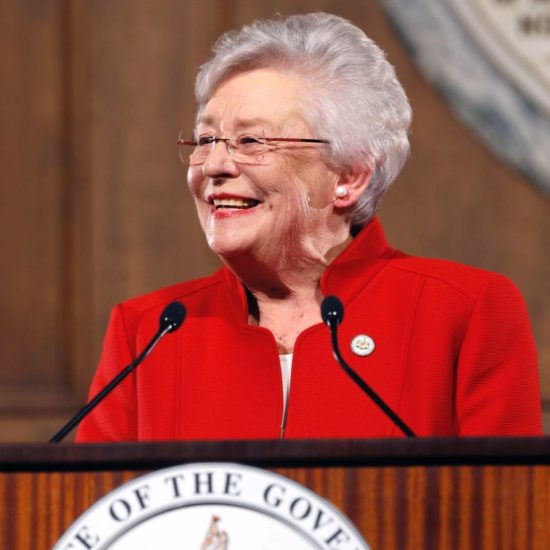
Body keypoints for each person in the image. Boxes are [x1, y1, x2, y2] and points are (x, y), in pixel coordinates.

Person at [76, 13, 542, 442]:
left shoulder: (463, 312)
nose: (214, 165)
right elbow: (97, 503)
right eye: (206, 139)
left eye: (251, 141)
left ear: (349, 176)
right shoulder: (149, 331)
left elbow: (503, 500)